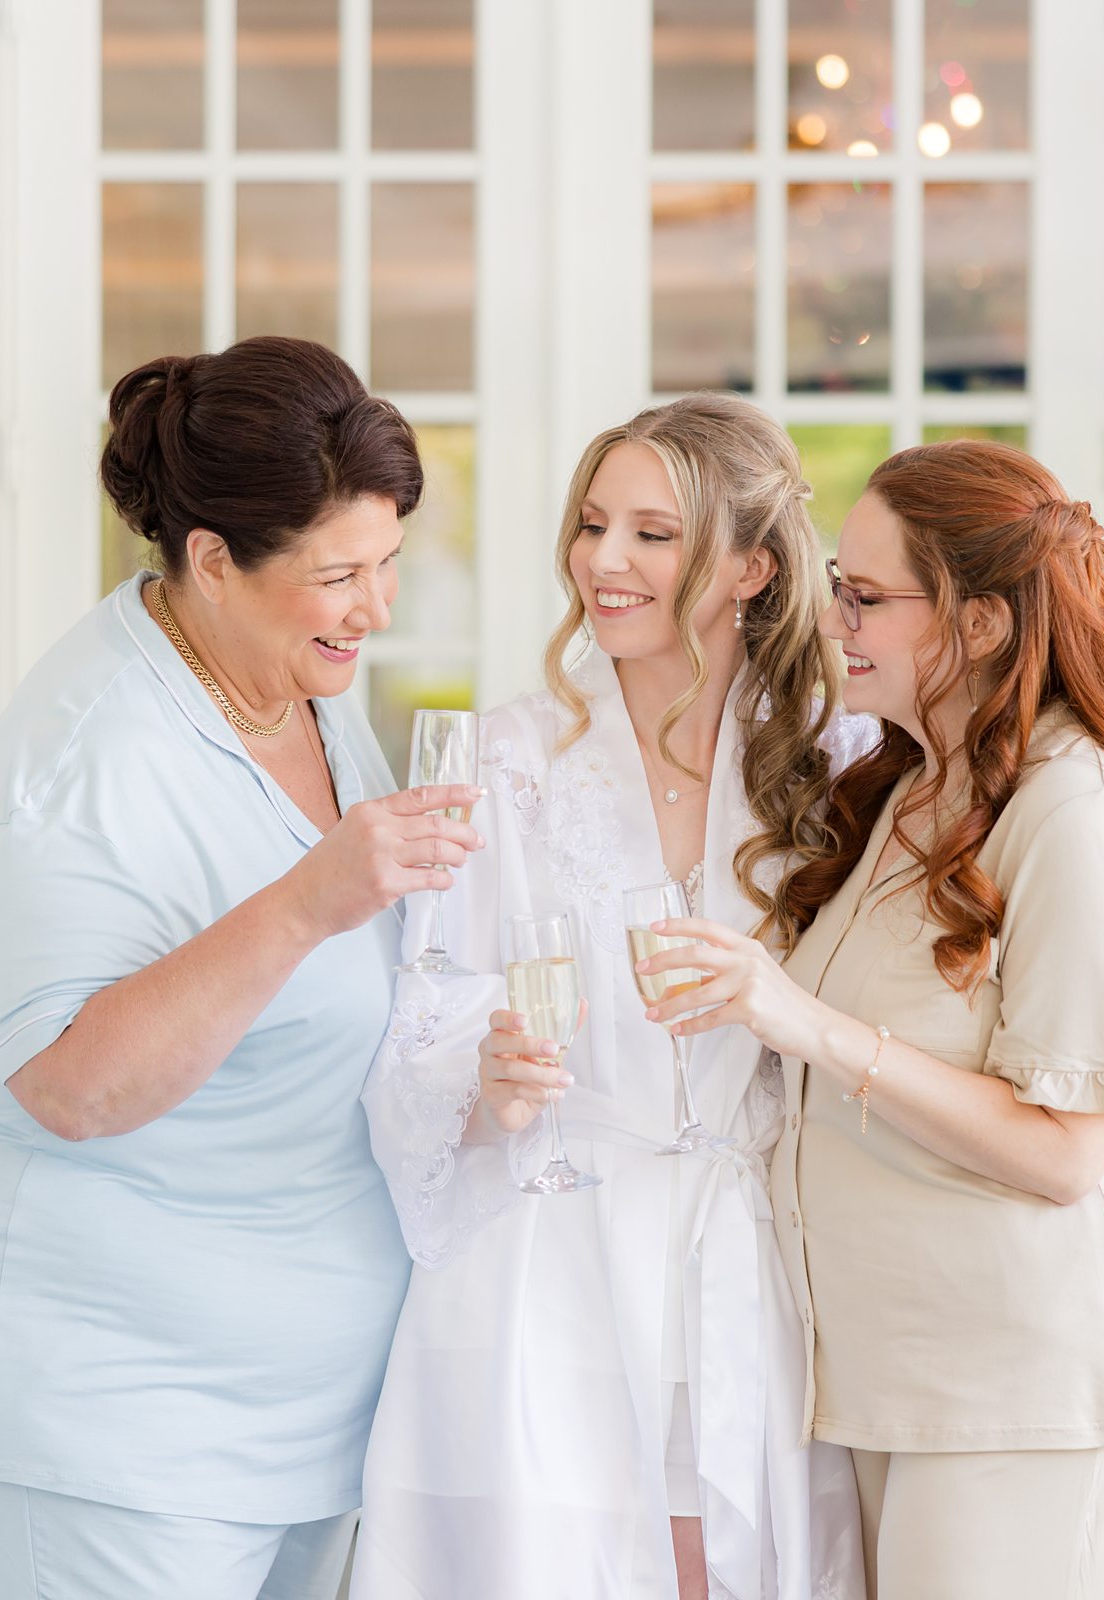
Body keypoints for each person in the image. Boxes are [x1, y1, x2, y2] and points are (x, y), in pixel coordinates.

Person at [0, 337, 482, 1599]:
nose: (378, 607)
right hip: (96, 1382)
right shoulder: (84, 763)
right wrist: (306, 903)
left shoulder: (288, 681)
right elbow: (73, 1084)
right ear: (211, 560)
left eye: (388, 562)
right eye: (339, 573)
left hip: (284, 1383)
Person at [635, 440, 1104, 1599]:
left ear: (977, 625)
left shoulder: (1071, 805)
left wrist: (809, 1028)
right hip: (894, 1370)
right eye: (837, 584)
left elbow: (1069, 1149)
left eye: (867, 597)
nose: (834, 619)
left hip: (1011, 1381)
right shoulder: (918, 779)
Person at [353, 395, 867, 1600]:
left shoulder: (834, 770)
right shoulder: (504, 762)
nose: (604, 562)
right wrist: (479, 1073)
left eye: (652, 533)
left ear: (749, 567)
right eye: (593, 526)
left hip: (757, 1259)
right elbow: (422, 1010)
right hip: (556, 1257)